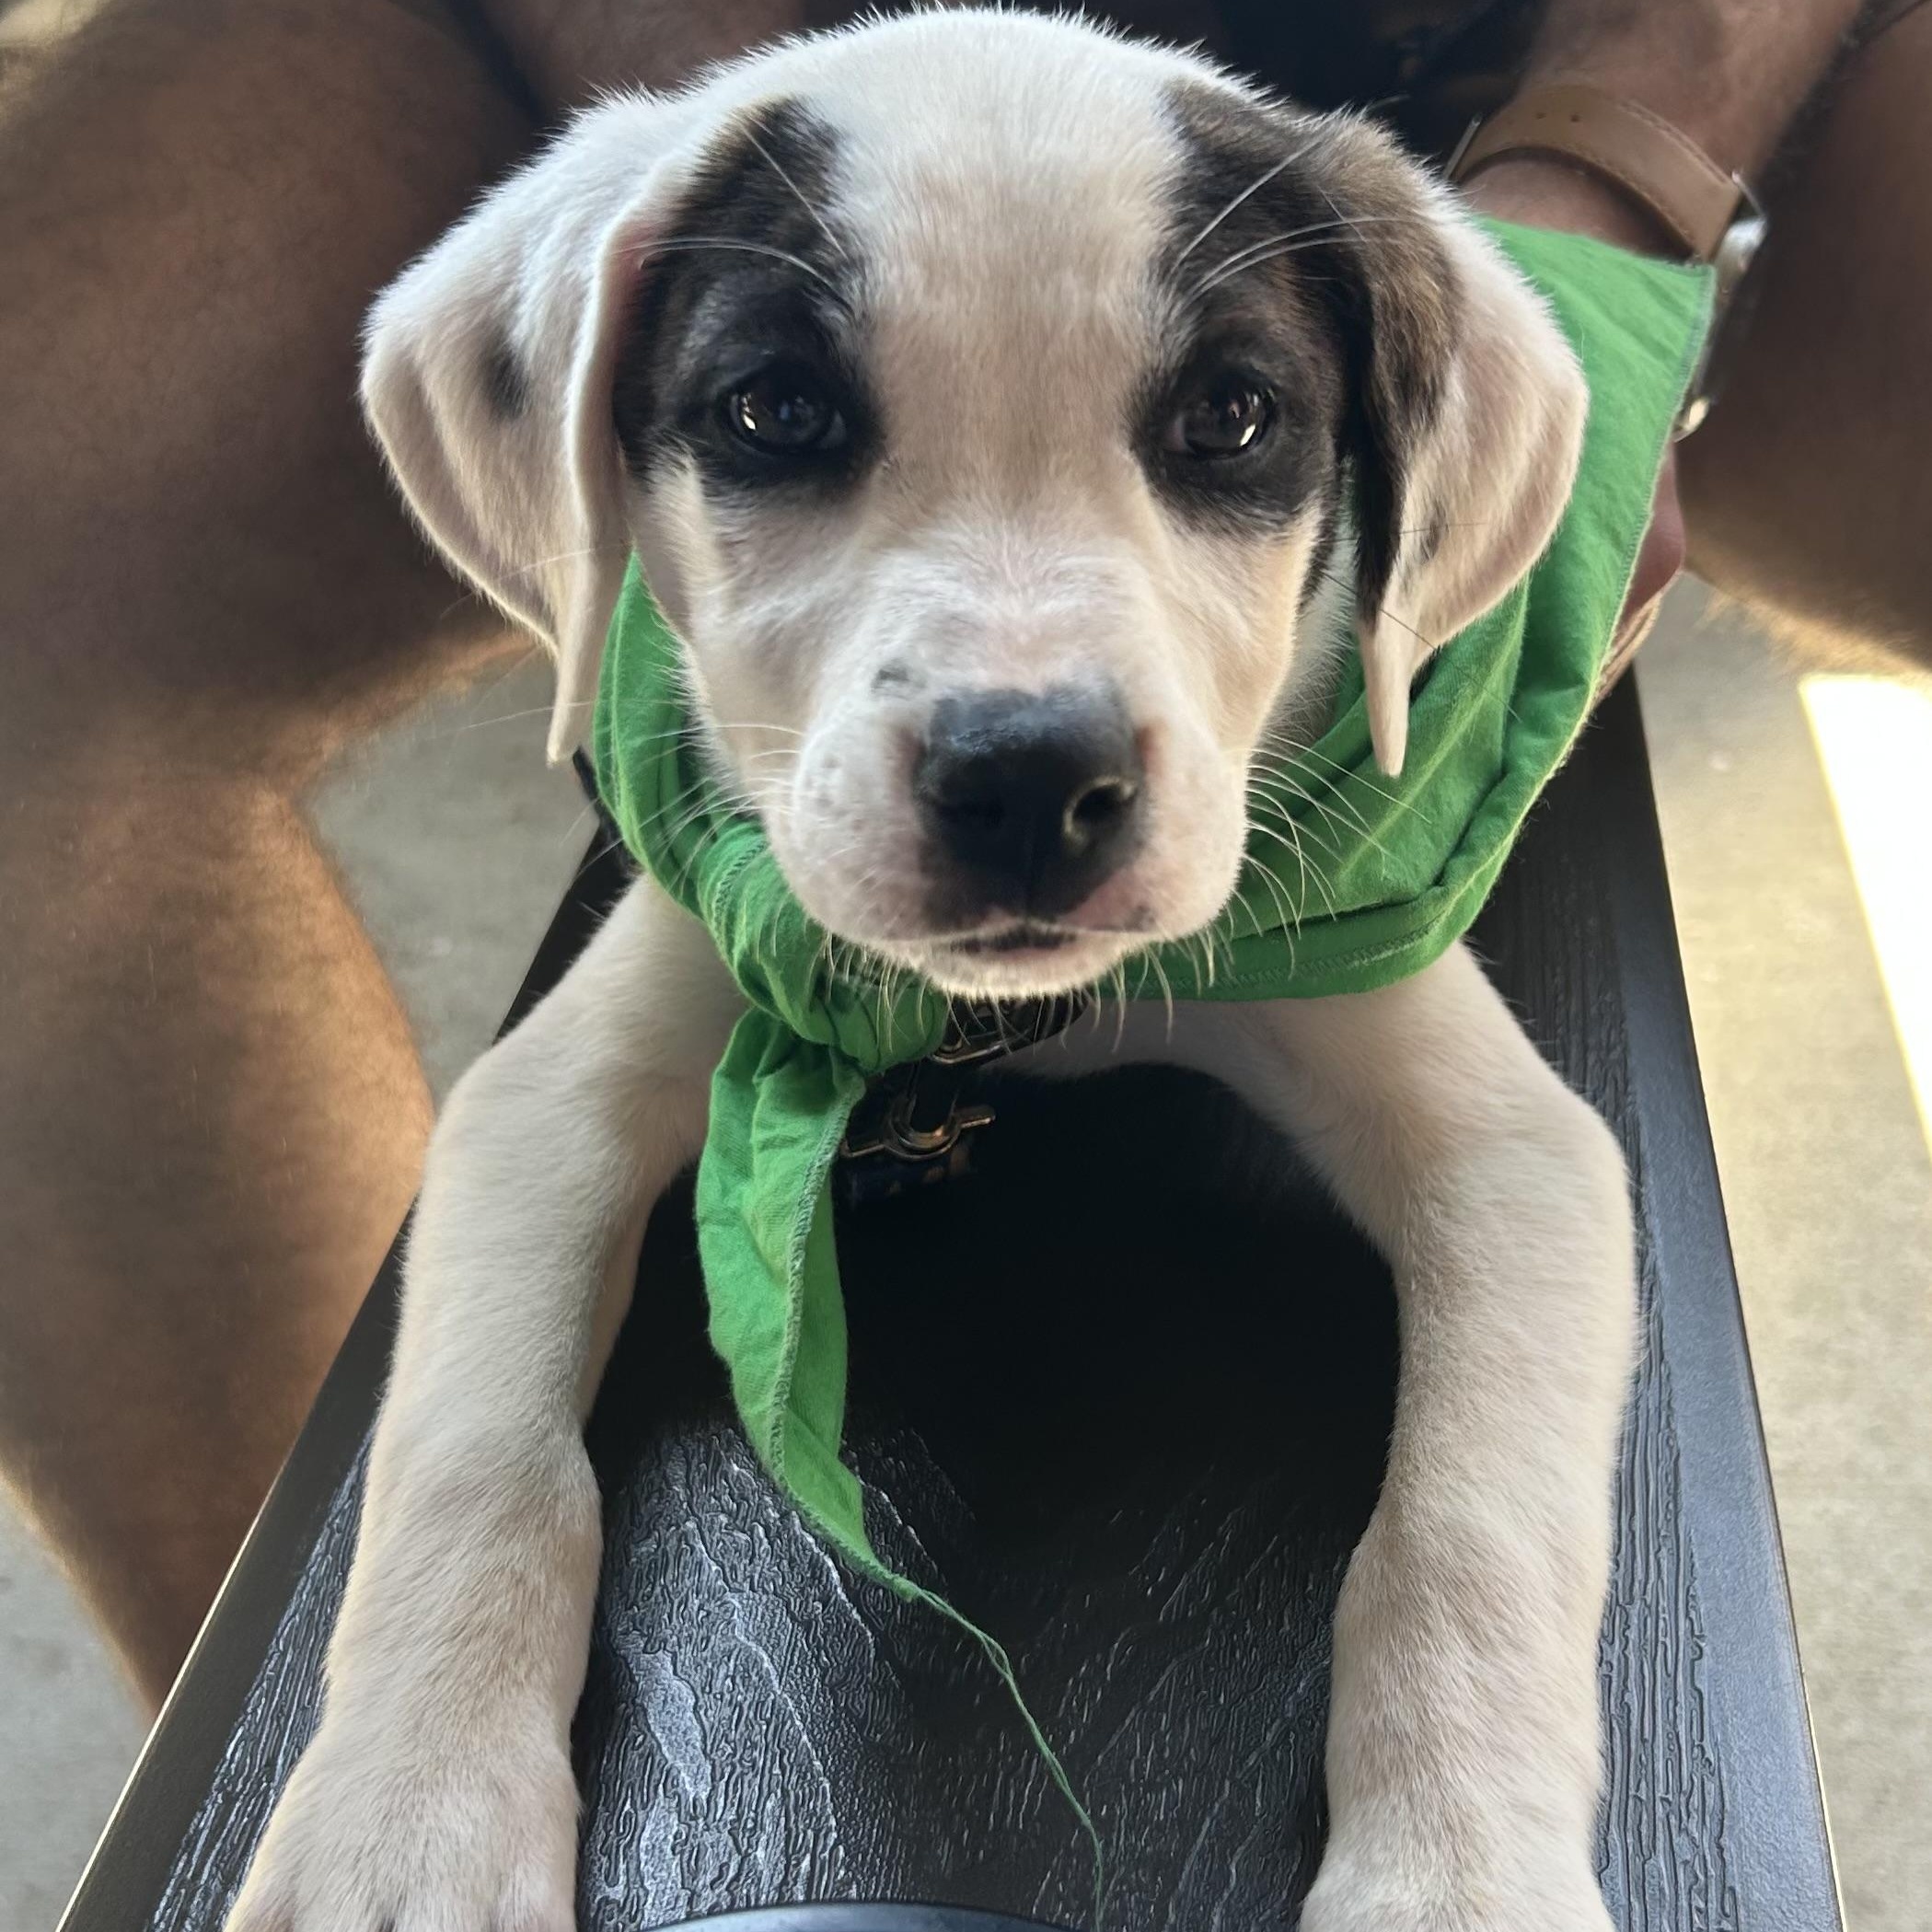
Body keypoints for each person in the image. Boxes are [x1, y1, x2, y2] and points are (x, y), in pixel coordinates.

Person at [0, 0, 1921, 1709]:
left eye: (1228, 426)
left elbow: (1511, 1178)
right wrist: (749, 142)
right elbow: (559, 1116)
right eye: (782, 416)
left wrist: (1630, 162)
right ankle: (273, 1713)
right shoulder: (675, 236)